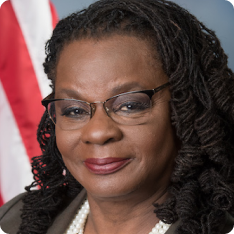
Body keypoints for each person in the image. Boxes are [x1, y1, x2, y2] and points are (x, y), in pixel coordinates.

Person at [0, 0, 234, 233]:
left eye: (129, 106)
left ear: (186, 110)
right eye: (74, 110)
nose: (97, 133)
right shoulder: (14, 222)